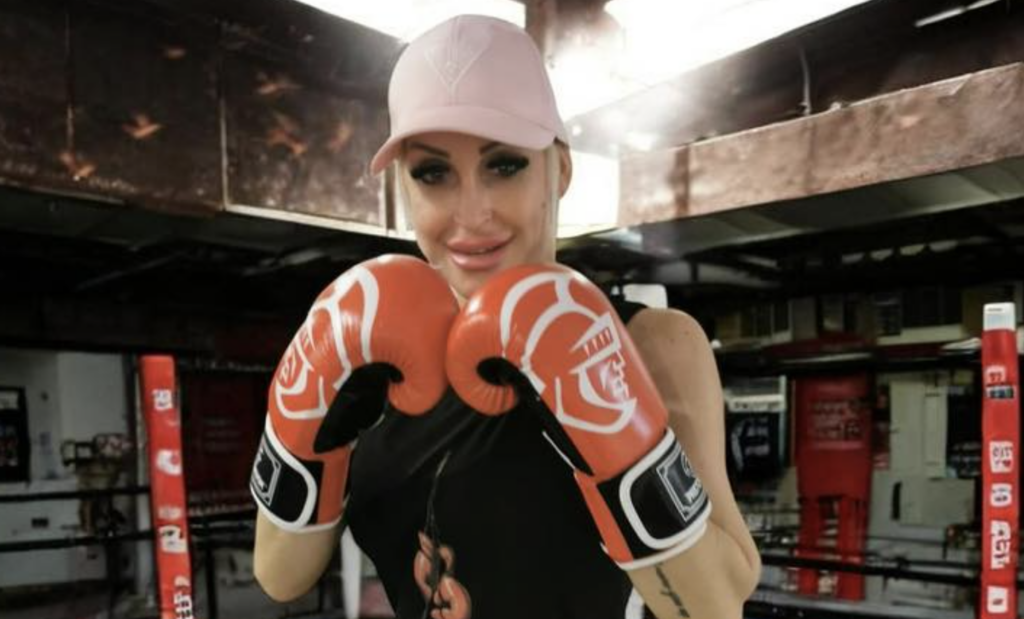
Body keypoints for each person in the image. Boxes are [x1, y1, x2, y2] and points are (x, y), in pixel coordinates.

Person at [249, 14, 760, 619]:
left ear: (559, 170)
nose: (472, 212)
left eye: (504, 165)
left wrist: (616, 437)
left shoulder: (652, 343)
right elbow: (280, 578)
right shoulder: (362, 344)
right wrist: (305, 431)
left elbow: (717, 606)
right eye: (433, 173)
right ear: (404, 192)